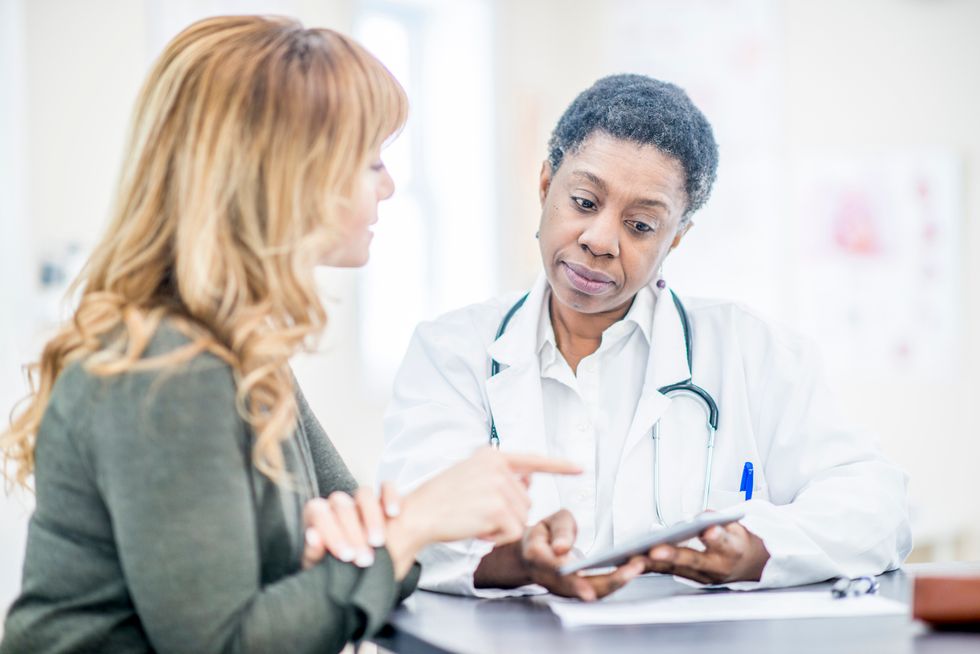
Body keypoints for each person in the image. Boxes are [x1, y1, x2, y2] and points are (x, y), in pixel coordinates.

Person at [0, 16, 578, 653]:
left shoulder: (242, 353)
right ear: (284, 178)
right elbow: (226, 644)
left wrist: (488, 555)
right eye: (371, 162)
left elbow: (380, 555)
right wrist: (414, 521)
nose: (387, 186)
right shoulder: (167, 366)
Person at [379, 74, 912, 600]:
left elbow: (877, 506)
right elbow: (407, 524)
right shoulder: (451, 352)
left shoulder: (752, 350)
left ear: (676, 238)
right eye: (584, 202)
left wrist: (756, 549)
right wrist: (517, 559)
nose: (600, 240)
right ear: (546, 186)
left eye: (640, 226)